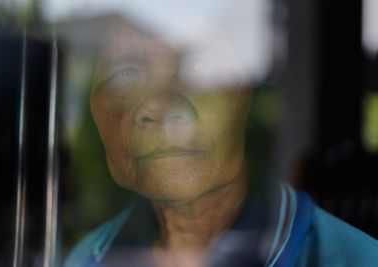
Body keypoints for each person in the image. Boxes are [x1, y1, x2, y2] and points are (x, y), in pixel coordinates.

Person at [65, 3, 378, 267]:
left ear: (245, 97)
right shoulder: (86, 258)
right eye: (126, 73)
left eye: (198, 66)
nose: (157, 105)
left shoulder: (354, 259)